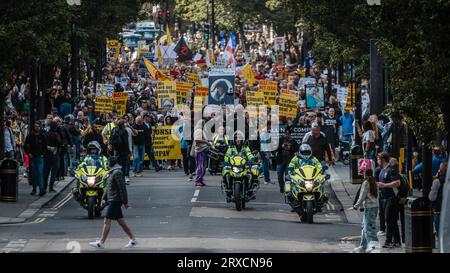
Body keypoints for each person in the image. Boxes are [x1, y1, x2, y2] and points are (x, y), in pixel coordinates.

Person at [89, 156, 137, 249]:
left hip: (115, 200)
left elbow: (122, 188)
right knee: (120, 221)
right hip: (112, 199)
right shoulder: (112, 172)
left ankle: (101, 242)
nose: (106, 165)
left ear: (111, 164)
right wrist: (103, 198)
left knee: (106, 220)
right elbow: (108, 187)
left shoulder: (117, 173)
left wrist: (125, 201)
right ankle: (133, 239)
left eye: (107, 163)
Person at [376, 152, 401, 248]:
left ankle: (388, 241)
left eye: (378, 159)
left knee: (388, 219)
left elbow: (397, 183)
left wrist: (384, 185)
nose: (377, 161)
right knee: (392, 220)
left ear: (383, 159)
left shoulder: (392, 170)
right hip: (383, 198)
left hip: (391, 198)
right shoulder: (381, 170)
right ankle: (397, 241)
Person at [351, 168, 380, 253]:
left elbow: (362, 196)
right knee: (364, 227)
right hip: (374, 207)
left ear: (365, 174)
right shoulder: (374, 182)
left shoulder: (366, 182)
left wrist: (356, 206)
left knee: (369, 228)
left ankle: (374, 246)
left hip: (370, 208)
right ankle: (363, 247)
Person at [223, 132, 255, 200]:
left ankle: (250, 191)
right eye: (236, 139)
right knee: (225, 170)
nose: (238, 140)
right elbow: (226, 155)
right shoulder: (231, 148)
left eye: (239, 139)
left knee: (252, 172)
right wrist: (227, 160)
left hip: (243, 166)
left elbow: (249, 154)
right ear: (234, 140)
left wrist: (251, 159)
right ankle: (228, 189)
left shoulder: (245, 147)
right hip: (233, 166)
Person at [23, 122, 47, 196]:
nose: (37, 127)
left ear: (40, 127)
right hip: (32, 157)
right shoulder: (30, 135)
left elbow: (45, 146)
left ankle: (41, 189)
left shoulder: (42, 135)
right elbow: (25, 146)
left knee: (40, 172)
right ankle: (34, 189)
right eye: (35, 126)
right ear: (34, 127)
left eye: (38, 126)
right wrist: (28, 153)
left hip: (40, 157)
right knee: (34, 174)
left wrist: (43, 154)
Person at [429, 161, 448, 238]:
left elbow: (431, 197)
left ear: (440, 171)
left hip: (439, 210)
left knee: (441, 235)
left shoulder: (437, 181)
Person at [109, 119, 131, 184]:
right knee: (124, 165)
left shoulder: (114, 130)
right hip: (123, 150)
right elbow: (126, 142)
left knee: (116, 164)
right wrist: (128, 151)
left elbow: (110, 139)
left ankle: (115, 179)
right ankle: (122, 179)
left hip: (116, 150)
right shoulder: (124, 131)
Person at [44, 121, 61, 192]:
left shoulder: (46, 134)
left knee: (46, 171)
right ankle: (51, 187)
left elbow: (43, 143)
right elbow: (60, 142)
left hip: (47, 155)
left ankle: (44, 186)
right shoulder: (56, 134)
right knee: (54, 172)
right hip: (54, 154)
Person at [193, 120, 210, 187]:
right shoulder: (198, 130)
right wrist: (206, 142)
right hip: (200, 150)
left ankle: (200, 180)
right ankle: (198, 180)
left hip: (201, 150)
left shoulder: (199, 130)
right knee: (200, 166)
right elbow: (197, 140)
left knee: (202, 166)